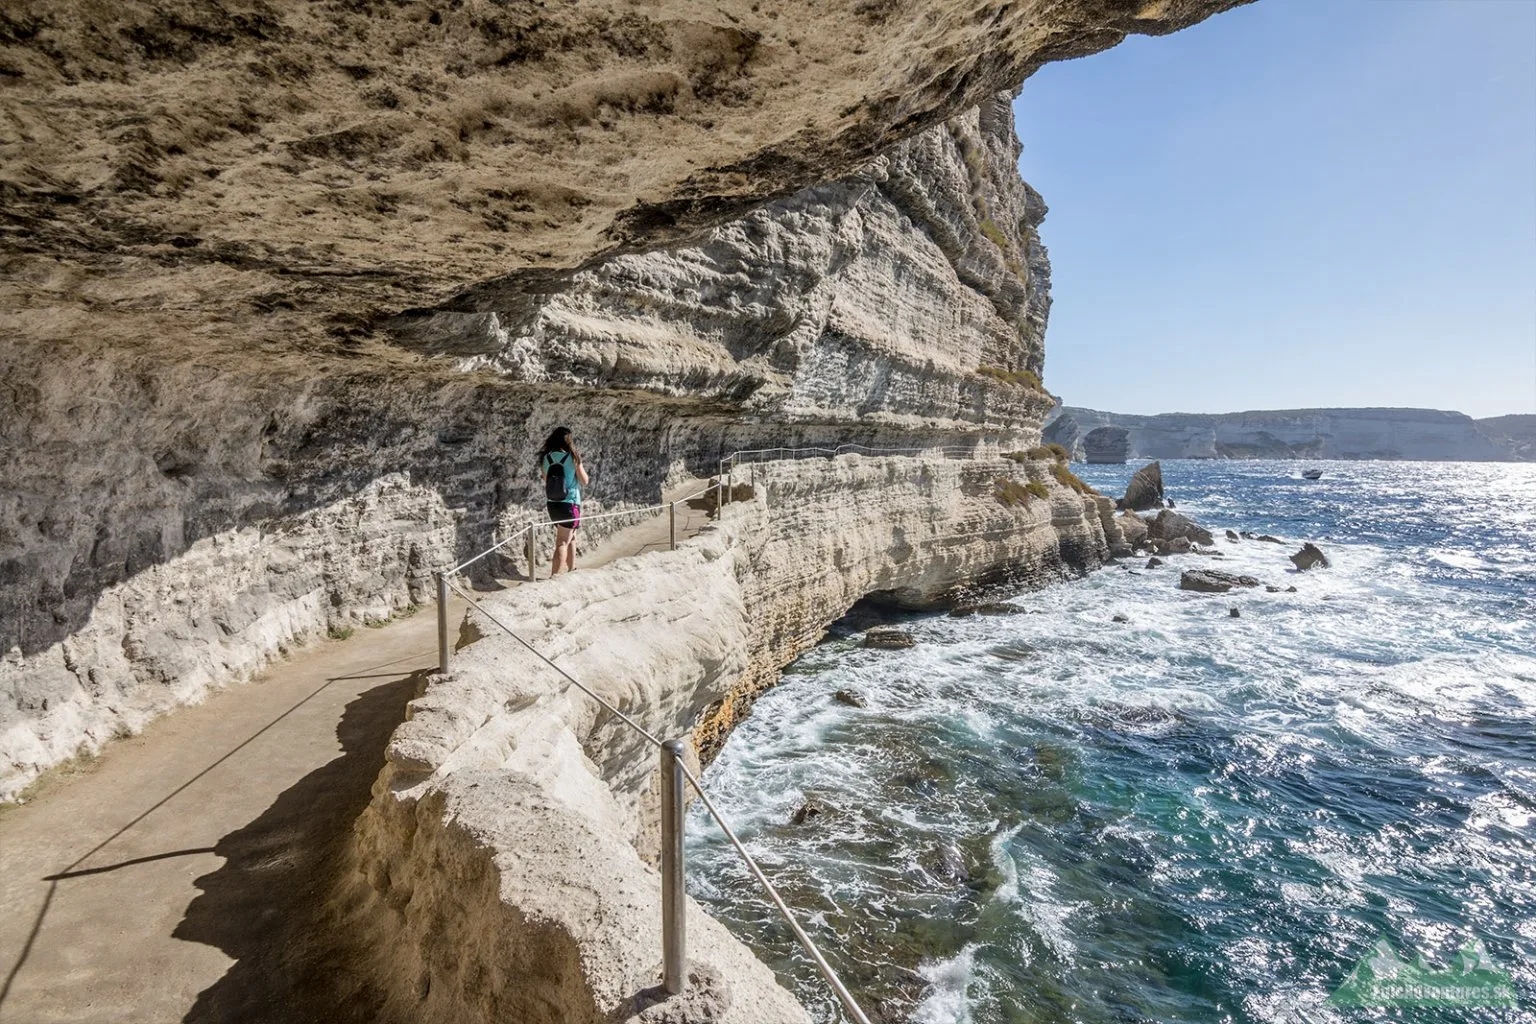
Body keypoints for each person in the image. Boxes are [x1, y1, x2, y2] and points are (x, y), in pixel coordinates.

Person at [538, 426, 589, 576]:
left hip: (553, 503)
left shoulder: (546, 458)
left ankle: (572, 569)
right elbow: (584, 481)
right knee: (562, 542)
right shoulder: (572, 457)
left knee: (571, 536)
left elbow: (546, 479)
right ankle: (554, 577)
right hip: (570, 503)